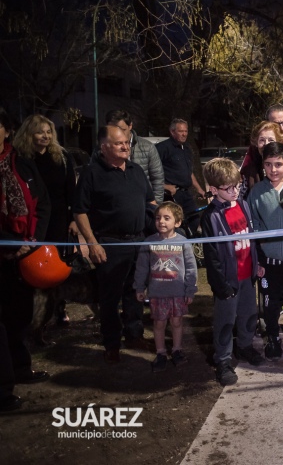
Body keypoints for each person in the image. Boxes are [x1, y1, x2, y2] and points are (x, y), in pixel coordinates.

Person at [73, 125, 155, 363]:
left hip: (138, 241)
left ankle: (134, 334)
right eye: (119, 142)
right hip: (110, 243)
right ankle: (111, 343)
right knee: (110, 297)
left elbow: (149, 201)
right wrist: (92, 243)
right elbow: (80, 211)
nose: (125, 146)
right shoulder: (91, 173)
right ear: (104, 146)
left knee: (136, 291)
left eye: (127, 142)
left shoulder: (136, 170)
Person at [201, 157, 265, 386]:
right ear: (213, 189)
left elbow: (251, 239)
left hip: (247, 275)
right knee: (225, 321)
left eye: (237, 185)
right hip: (228, 281)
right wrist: (220, 285)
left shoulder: (243, 205)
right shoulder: (210, 216)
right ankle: (223, 360)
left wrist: (256, 263)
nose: (235, 191)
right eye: (229, 188)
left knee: (249, 314)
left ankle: (245, 346)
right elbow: (212, 256)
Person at [0, 109, 51, 384]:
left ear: (7, 131)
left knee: (19, 315)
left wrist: (32, 242)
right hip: (5, 249)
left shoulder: (22, 163)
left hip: (21, 252)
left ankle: (20, 369)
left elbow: (43, 203)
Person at [13, 114, 78, 325]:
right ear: (29, 134)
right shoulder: (21, 159)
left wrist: (73, 219)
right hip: (34, 220)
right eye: (41, 131)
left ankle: (58, 308)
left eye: (49, 132)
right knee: (32, 265)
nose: (46, 136)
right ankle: (32, 315)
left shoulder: (62, 157)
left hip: (59, 219)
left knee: (56, 266)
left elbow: (72, 191)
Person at [247, 142, 283, 363]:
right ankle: (272, 337)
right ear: (263, 165)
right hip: (269, 261)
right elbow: (253, 226)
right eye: (269, 164)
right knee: (270, 302)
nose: (273, 170)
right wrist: (259, 258)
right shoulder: (257, 193)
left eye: (279, 164)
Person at [133, 201, 197, 372]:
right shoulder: (149, 242)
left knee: (176, 322)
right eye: (158, 218)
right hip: (157, 293)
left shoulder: (183, 243)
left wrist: (190, 289)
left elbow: (191, 267)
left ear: (177, 222)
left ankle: (177, 350)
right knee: (159, 323)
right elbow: (142, 267)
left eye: (166, 218)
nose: (161, 221)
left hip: (178, 292)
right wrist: (139, 287)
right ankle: (160, 352)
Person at [105, 110, 165, 203]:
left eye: (122, 129)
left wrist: (154, 209)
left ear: (130, 126)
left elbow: (157, 179)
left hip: (143, 205)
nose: (118, 134)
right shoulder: (101, 150)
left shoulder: (147, 147)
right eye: (113, 130)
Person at [155, 118, 206, 227]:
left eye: (186, 131)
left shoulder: (186, 148)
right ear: (172, 132)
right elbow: (151, 171)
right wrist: (165, 186)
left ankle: (190, 243)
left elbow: (189, 172)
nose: (184, 134)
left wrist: (199, 189)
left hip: (186, 194)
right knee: (176, 225)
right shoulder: (162, 148)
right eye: (180, 131)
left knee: (194, 220)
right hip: (171, 195)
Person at [240, 121, 283, 194]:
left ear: (278, 142)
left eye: (271, 140)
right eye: (262, 140)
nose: (266, 144)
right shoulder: (249, 170)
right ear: (256, 143)